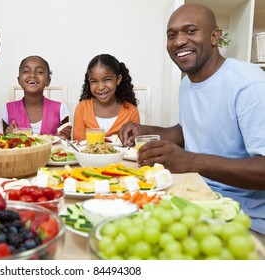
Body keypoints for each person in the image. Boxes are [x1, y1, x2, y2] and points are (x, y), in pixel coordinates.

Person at [119, 4, 265, 238]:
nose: (178, 42)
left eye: (190, 31)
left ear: (214, 36)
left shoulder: (249, 84)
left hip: (242, 219)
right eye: (171, 35)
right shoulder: (187, 83)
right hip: (195, 195)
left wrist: (191, 161)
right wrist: (145, 130)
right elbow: (189, 131)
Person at [1, 55, 72, 139]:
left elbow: (67, 142)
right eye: (26, 71)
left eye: (40, 72)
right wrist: (8, 135)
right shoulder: (8, 109)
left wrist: (64, 137)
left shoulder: (60, 109)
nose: (32, 75)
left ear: (48, 81)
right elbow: (4, 143)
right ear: (19, 80)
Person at [73, 54, 140, 142]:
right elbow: (78, 142)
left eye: (107, 79)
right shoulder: (82, 108)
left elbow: (132, 145)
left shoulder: (131, 111)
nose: (100, 87)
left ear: (118, 79)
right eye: (94, 81)